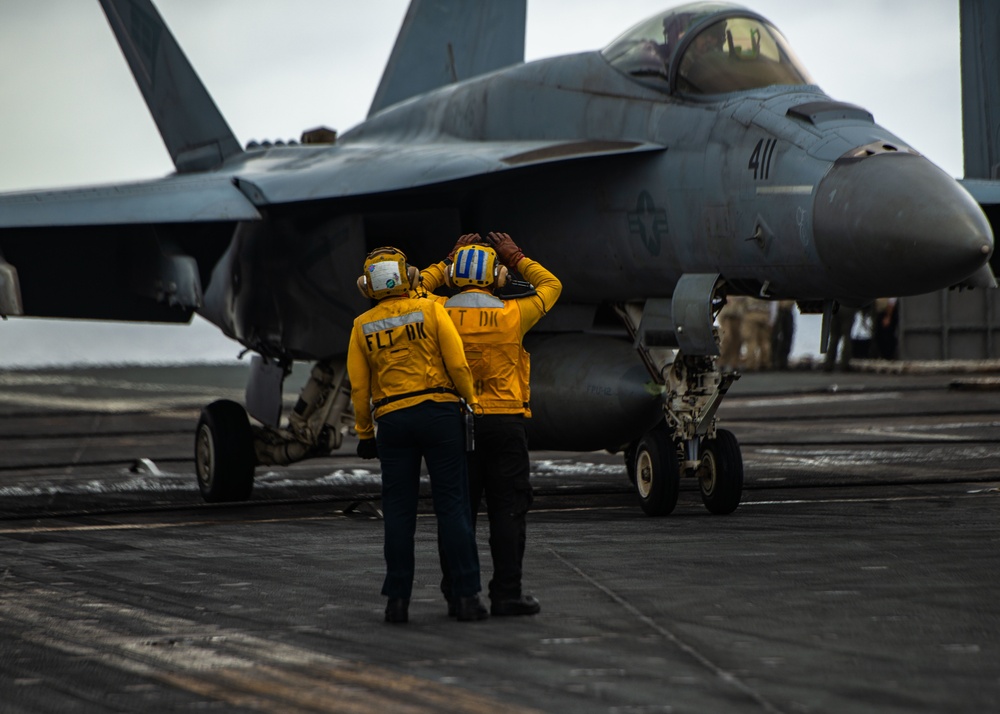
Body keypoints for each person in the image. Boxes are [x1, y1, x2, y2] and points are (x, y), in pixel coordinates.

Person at [421, 232, 562, 617]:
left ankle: (459, 595)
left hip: (453, 422)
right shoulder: (513, 314)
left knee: (456, 511)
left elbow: (415, 286)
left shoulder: (435, 311)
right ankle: (507, 593)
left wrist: (445, 261)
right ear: (496, 276)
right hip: (504, 424)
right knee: (508, 510)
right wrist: (516, 256)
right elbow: (551, 284)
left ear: (454, 274)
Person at [347, 246, 486, 624]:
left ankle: (397, 601)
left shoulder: (362, 327)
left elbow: (360, 390)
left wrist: (364, 433)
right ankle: (466, 598)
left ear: (367, 287)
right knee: (453, 507)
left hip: (392, 421)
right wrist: (470, 402)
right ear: (408, 276)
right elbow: (456, 363)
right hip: (440, 415)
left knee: (398, 512)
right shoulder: (430, 309)